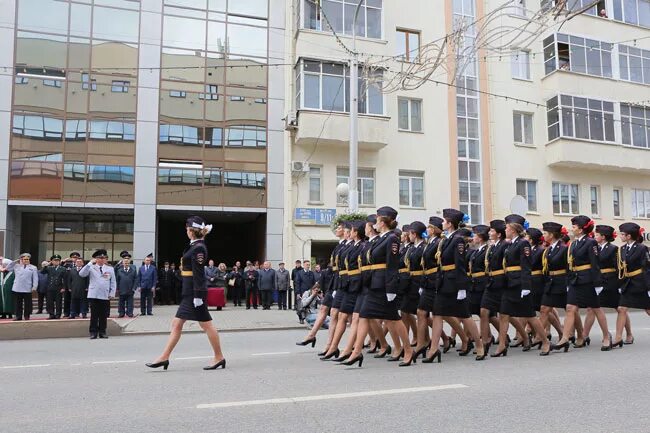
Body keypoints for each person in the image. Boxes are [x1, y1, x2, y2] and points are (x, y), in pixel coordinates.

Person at [146, 216, 226, 371]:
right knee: (177, 324)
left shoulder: (199, 248)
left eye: (187, 229)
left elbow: (197, 273)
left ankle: (219, 357)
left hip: (194, 293)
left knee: (207, 325)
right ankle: (164, 357)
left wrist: (197, 296)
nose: (186, 232)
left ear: (192, 231)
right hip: (189, 292)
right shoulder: (194, 245)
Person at [343, 206, 414, 368]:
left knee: (394, 319)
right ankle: (356, 352)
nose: (374, 222)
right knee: (364, 316)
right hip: (374, 284)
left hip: (384, 286)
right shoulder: (381, 238)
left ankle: (408, 350)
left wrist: (390, 289)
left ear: (383, 222)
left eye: (377, 219)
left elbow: (392, 265)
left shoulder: (392, 239)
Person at [425, 209, 486, 363]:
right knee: (437, 314)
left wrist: (461, 288)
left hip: (454, 282)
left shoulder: (458, 240)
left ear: (450, 223)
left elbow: (460, 264)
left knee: (465, 315)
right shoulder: (446, 239)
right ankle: (433, 349)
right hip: (443, 281)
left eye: (444, 221)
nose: (442, 223)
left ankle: (479, 345)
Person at [491, 214, 550, 357]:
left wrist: (526, 287)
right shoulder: (511, 243)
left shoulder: (523, 243)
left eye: (507, 228)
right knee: (504, 314)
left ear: (514, 229)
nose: (505, 230)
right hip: (509, 283)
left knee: (530, 316)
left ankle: (546, 342)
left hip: (519, 284)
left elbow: (526, 266)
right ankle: (502, 345)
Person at [553, 215, 611, 352]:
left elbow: (595, 263)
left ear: (581, 229)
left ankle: (607, 337)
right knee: (570, 308)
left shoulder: (590, 242)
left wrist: (598, 283)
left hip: (588, 280)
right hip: (575, 279)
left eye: (574, 227)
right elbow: (570, 263)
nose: (571, 229)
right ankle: (564, 339)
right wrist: (569, 281)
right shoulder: (574, 243)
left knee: (596, 308)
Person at [321, 220, 366, 360]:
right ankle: (333, 347)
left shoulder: (362, 246)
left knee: (360, 318)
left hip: (355, 284)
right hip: (344, 283)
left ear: (356, 232)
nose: (348, 233)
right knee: (339, 314)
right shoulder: (349, 246)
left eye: (351, 231)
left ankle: (351, 349)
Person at [583, 225, 629, 344]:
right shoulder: (594, 247)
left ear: (603, 237)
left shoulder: (613, 249)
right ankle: (584, 335)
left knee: (619, 308)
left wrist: (620, 285)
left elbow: (619, 268)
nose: (594, 236)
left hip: (611, 281)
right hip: (598, 281)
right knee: (591, 308)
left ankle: (629, 333)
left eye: (597, 235)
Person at [613, 223, 650, 347]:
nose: (620, 236)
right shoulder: (622, 249)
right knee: (621, 308)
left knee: (648, 309)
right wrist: (619, 284)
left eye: (622, 234)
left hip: (640, 282)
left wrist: (648, 287)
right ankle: (618, 337)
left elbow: (647, 268)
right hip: (627, 283)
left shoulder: (641, 248)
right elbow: (621, 269)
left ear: (629, 236)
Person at [79, 249, 116, 339]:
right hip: (94, 294)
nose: (101, 260)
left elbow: (113, 282)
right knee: (94, 315)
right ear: (95, 259)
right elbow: (81, 274)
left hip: (105, 294)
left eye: (103, 258)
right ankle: (93, 332)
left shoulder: (109, 268)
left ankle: (102, 332)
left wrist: (112, 293)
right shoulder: (91, 267)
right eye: (99, 258)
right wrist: (89, 264)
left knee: (103, 315)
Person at [1, 254, 38, 320]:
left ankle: (27, 316)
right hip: (17, 287)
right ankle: (18, 316)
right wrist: (15, 261)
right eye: (24, 259)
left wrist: (34, 287)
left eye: (27, 259)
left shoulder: (33, 267)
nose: (26, 260)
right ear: (21, 260)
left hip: (27, 288)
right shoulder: (16, 266)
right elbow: (8, 267)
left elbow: (35, 278)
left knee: (28, 304)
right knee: (18, 304)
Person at [42, 255, 67, 319]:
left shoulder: (63, 268)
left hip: (59, 287)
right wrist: (46, 265)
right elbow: (42, 272)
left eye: (57, 261)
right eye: (54, 261)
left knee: (58, 302)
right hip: (50, 287)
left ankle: (58, 314)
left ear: (59, 261)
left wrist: (64, 287)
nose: (56, 262)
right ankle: (51, 314)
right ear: (52, 261)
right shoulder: (49, 268)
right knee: (50, 302)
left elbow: (65, 279)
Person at [115, 251, 137, 318]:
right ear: (123, 263)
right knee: (121, 303)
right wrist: (117, 288)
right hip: (122, 289)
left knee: (130, 303)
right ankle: (121, 313)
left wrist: (134, 288)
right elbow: (117, 280)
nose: (126, 263)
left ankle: (130, 313)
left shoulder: (133, 270)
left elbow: (136, 280)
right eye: (125, 262)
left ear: (129, 263)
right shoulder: (119, 270)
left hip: (130, 289)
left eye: (127, 262)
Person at [61, 251, 81, 318]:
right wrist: (64, 261)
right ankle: (66, 313)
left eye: (76, 257)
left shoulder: (81, 265)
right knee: (67, 299)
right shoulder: (67, 265)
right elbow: (60, 267)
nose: (75, 259)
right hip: (67, 284)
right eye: (73, 257)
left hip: (76, 285)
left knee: (76, 299)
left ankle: (77, 312)